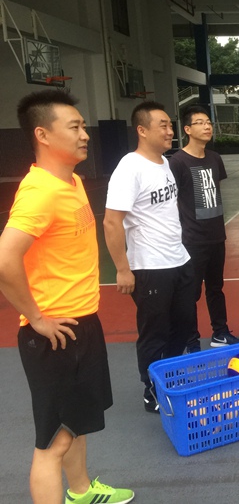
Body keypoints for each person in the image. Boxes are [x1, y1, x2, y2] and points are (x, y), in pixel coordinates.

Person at [0, 90, 133, 504]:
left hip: (81, 322)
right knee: (53, 442)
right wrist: (37, 318)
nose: (85, 134)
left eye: (82, 126)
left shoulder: (71, 181)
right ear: (43, 134)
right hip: (54, 334)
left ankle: (81, 491)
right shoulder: (40, 192)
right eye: (74, 127)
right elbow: (4, 260)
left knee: (76, 424)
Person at [104, 101, 196, 413]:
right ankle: (152, 390)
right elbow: (111, 222)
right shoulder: (129, 168)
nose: (170, 131)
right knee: (155, 331)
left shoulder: (164, 163)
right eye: (163, 126)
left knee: (183, 326)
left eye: (171, 125)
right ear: (142, 130)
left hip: (178, 259)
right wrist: (122, 269)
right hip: (150, 267)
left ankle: (169, 376)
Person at [169, 106, 239, 353]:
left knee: (216, 288)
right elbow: (173, 201)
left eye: (208, 122)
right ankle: (191, 341)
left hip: (216, 236)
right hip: (192, 239)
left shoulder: (214, 158)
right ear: (187, 129)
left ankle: (220, 332)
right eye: (200, 122)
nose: (207, 126)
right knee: (190, 294)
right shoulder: (177, 162)